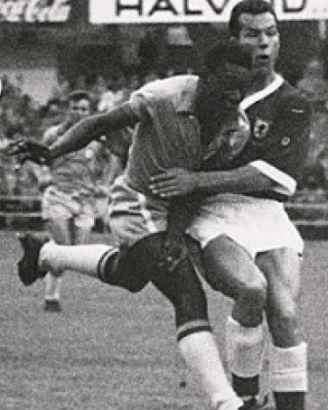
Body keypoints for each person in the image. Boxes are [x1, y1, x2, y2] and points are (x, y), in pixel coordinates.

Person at [11, 40, 263, 410]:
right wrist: (52, 152)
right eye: (228, 85)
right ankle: (227, 402)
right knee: (187, 293)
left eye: (242, 88)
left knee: (130, 275)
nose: (235, 96)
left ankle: (46, 253)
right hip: (137, 202)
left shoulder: (235, 128)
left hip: (174, 211)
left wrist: (175, 232)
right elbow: (102, 123)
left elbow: (197, 185)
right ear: (205, 77)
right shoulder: (164, 96)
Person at [148, 3, 312, 409]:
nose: (264, 43)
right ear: (234, 40)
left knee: (285, 314)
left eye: (271, 33)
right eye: (253, 34)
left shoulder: (292, 102)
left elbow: (271, 176)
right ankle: (246, 398)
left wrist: (196, 179)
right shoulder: (206, 94)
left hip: (267, 213)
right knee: (252, 289)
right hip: (212, 212)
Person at [33, 90, 103, 312]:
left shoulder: (96, 138)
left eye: (84, 109)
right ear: (68, 109)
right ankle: (51, 299)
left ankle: (37, 249)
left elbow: (110, 161)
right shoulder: (53, 135)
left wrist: (104, 182)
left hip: (85, 199)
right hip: (59, 196)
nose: (79, 112)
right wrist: (43, 174)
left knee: (76, 252)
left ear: (89, 112)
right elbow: (38, 158)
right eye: (75, 108)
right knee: (63, 249)